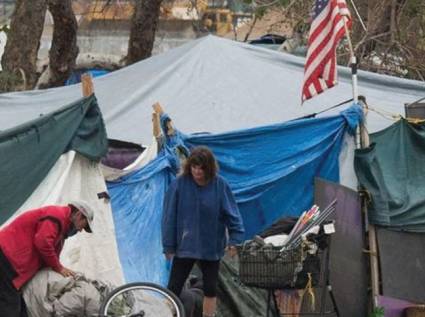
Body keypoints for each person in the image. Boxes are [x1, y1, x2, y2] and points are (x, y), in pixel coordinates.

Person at [162, 146, 245, 317]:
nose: (197, 171)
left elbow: (233, 215)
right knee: (173, 288)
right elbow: (169, 216)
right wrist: (168, 245)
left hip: (211, 245)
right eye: (194, 167)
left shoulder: (220, 185)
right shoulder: (179, 184)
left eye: (201, 168)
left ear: (209, 168)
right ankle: (164, 313)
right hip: (185, 244)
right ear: (189, 166)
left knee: (210, 288)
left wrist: (235, 240)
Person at [0, 200, 95, 317]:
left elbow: (51, 258)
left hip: (14, 264)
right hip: (7, 257)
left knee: (21, 309)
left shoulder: (61, 233)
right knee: (10, 308)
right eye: (83, 225)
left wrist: (59, 270)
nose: (80, 230)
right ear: (79, 215)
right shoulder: (56, 215)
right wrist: (59, 268)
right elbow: (42, 242)